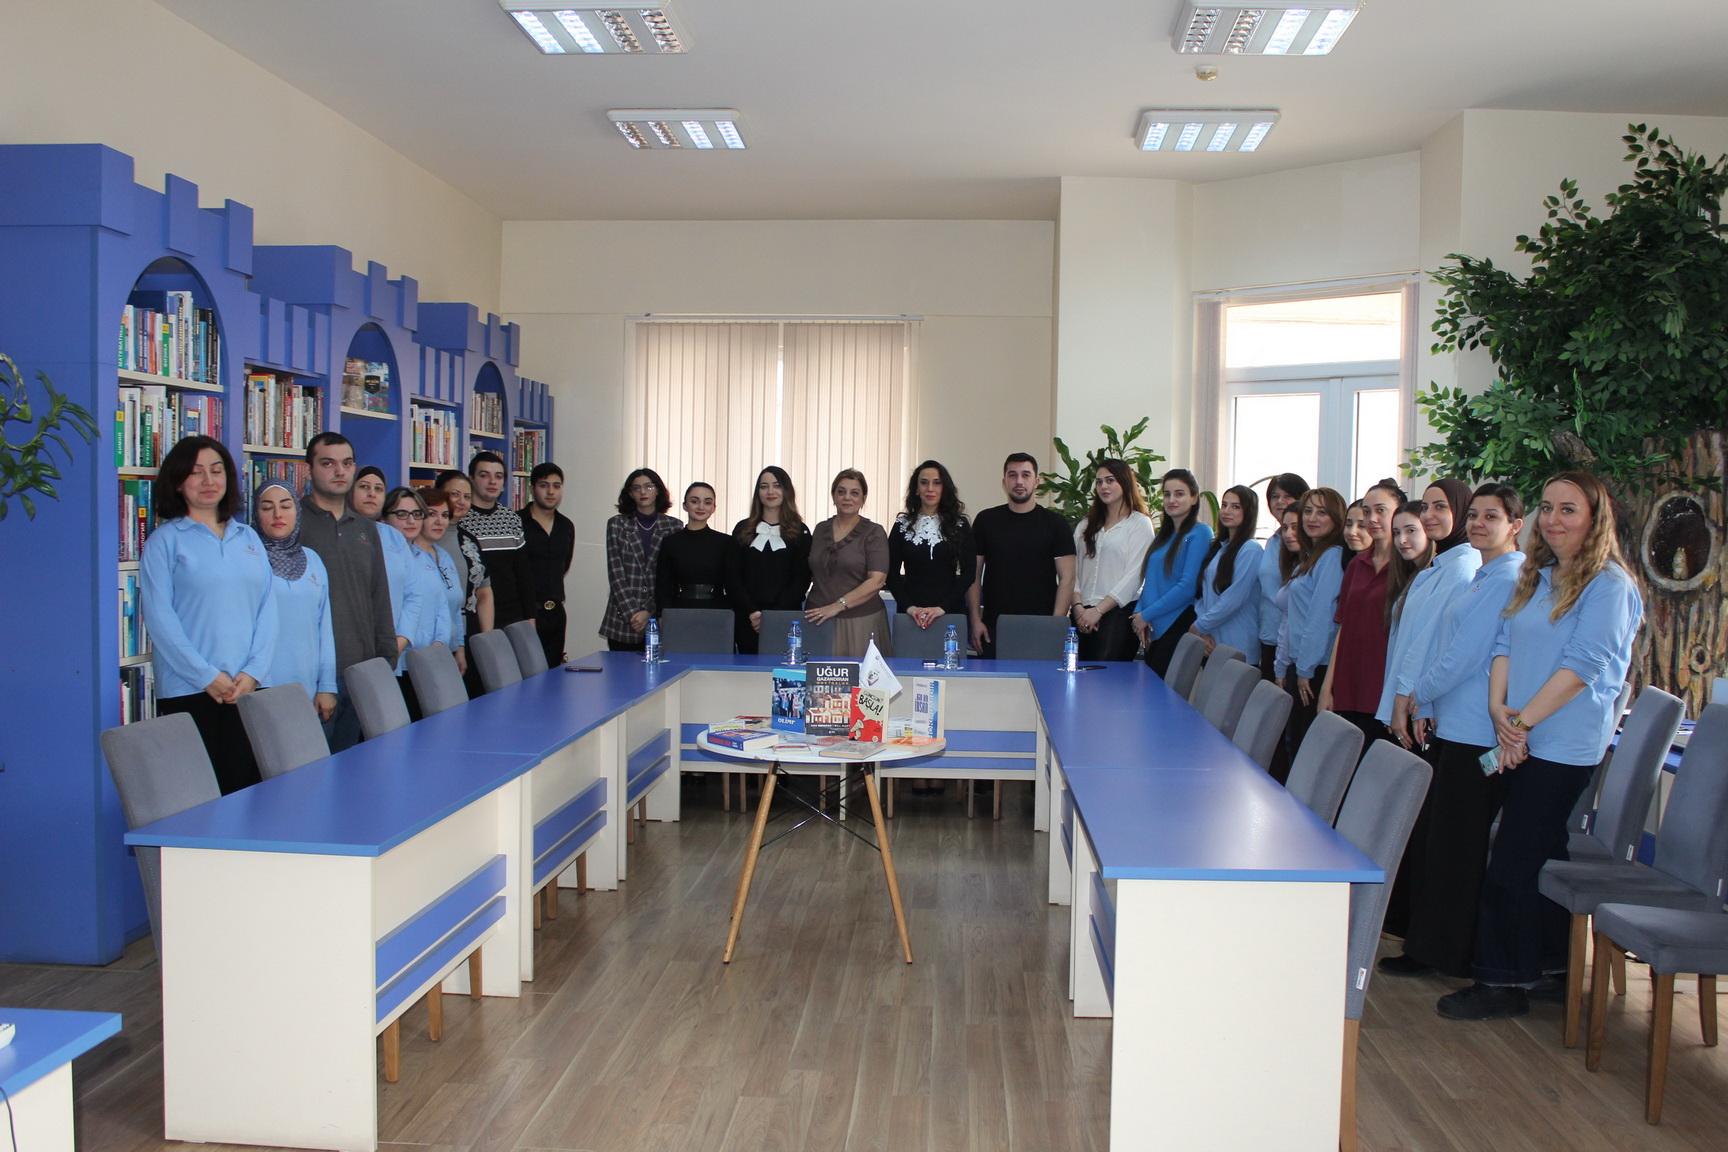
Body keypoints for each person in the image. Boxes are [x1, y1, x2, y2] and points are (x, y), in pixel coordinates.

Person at [1437, 473, 1643, 1021]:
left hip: (1562, 746)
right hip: (1519, 733)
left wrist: (1521, 724)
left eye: (1568, 509)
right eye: (1547, 507)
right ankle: (1553, 966)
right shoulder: (1541, 574)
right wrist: (1499, 710)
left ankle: (1500, 981)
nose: (1553, 519)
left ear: (1595, 519)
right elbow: (1505, 642)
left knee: (1511, 860)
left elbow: (1581, 669)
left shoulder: (1610, 586)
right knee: (1545, 852)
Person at [1379, 484, 1525, 980]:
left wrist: (1419, 693)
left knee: (1456, 845)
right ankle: (1434, 945)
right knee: (1443, 840)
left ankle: (1446, 952)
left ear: (1515, 525)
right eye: (1475, 515)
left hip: (1477, 731)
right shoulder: (1484, 574)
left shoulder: (1504, 578)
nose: (1479, 524)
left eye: (1491, 516)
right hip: (1456, 722)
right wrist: (1428, 700)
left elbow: (1464, 655)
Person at [140, 436, 276, 794]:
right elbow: (160, 619)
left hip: (248, 688)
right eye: (196, 472)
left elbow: (267, 609)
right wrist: (206, 676)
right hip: (190, 690)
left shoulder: (248, 538)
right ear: (178, 482)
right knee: (201, 800)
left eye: (216, 471)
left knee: (252, 795)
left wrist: (253, 672)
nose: (208, 480)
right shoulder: (164, 541)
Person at [298, 433, 397, 752]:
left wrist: (386, 658)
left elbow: (378, 594)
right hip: (311, 677)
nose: (339, 471)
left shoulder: (366, 528)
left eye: (347, 463)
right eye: (328, 463)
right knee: (311, 769)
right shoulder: (292, 522)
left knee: (352, 765)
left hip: (361, 670)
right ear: (309, 470)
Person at [1379, 480, 1482, 747]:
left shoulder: (1462, 567)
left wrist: (1403, 698)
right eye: (1425, 507)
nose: (1429, 515)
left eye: (1440, 507)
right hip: (1417, 700)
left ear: (1461, 512)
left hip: (1423, 704)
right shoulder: (1444, 565)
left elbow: (1427, 640)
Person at [1318, 480, 1406, 748]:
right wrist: (1327, 687)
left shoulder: (1409, 567)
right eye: (1367, 511)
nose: (1372, 519)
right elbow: (1343, 627)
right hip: (1348, 687)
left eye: (1381, 511)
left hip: (1382, 690)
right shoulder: (1357, 563)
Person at [968, 453, 1076, 659]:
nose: (1019, 481)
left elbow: (1068, 578)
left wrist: (1054, 624)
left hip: (1042, 626)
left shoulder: (1056, 524)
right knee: (994, 680)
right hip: (994, 628)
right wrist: (975, 620)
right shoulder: (986, 520)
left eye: (1026, 475)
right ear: (1004, 482)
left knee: (1043, 679)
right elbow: (973, 575)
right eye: (1012, 475)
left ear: (1037, 481)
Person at [254, 482, 337, 725]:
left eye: (285, 506)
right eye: (267, 507)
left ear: (297, 512)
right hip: (261, 685)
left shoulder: (313, 559)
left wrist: (327, 685)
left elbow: (324, 628)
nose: (277, 514)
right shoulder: (249, 559)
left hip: (307, 687)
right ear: (256, 514)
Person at [1069, 459, 1153, 662]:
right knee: (1076, 675)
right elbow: (1072, 570)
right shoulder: (1085, 525)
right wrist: (1078, 607)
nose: (1103, 486)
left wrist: (1098, 610)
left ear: (1124, 482)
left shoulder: (1139, 524)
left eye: (1110, 480)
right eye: (1099, 482)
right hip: (1081, 613)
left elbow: (1135, 575)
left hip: (1117, 615)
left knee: (1107, 677)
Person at [1131, 469, 1212, 677]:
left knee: (1164, 691)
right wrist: (1139, 614)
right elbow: (1150, 581)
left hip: (1178, 623)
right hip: (1153, 626)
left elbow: (1187, 587)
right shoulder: (1164, 536)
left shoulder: (1200, 532)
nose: (1172, 500)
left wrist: (1146, 614)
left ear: (1194, 498)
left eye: (1179, 494)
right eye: (1167, 494)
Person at [1284, 487, 1347, 753]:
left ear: (1336, 517)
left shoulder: (1332, 556)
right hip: (1301, 663)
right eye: (1308, 511)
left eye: (1322, 512)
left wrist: (1305, 670)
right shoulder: (1313, 556)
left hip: (1313, 669)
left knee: (1305, 749)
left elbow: (1321, 619)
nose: (1312, 518)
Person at [806, 469, 892, 657]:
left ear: (863, 498)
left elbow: (876, 581)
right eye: (841, 491)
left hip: (859, 623)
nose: (847, 497)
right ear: (833, 496)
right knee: (814, 674)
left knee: (857, 675)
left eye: (854, 493)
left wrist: (837, 606)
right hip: (818, 619)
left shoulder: (874, 532)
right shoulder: (820, 529)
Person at [379, 486, 449, 717]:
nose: (411, 521)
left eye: (417, 514)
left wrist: (440, 642)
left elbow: (442, 605)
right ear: (384, 518)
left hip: (426, 661)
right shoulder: (381, 558)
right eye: (401, 514)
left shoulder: (424, 557)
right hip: (396, 659)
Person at [888, 460, 976, 643]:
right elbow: (890, 574)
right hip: (911, 615)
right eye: (924, 482)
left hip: (950, 614)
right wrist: (910, 608)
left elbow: (969, 574)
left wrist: (941, 608)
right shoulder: (901, 526)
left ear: (945, 488)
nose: (930, 488)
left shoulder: (960, 525)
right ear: (916, 489)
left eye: (937, 483)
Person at [728, 466, 812, 655]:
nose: (770, 491)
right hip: (748, 618)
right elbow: (732, 577)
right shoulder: (742, 529)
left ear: (786, 490)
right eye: (764, 486)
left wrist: (773, 616)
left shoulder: (801, 531)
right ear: (758, 492)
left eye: (777, 485)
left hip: (785, 618)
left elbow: (801, 579)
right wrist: (752, 612)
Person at [599, 468, 682, 651]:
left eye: (648, 486)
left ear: (658, 490)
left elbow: (671, 578)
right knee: (620, 669)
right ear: (630, 494)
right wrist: (633, 614)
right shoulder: (617, 524)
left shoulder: (673, 526)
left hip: (657, 618)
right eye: (636, 488)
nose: (643, 492)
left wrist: (648, 611)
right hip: (622, 619)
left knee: (657, 669)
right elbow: (616, 574)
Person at [463, 451, 536, 630]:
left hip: (513, 615)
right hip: (475, 615)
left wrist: (530, 616)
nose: (492, 482)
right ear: (471, 479)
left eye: (498, 476)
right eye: (484, 475)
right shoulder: (461, 520)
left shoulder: (511, 518)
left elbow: (523, 572)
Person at [1191, 485, 1264, 663]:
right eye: (1224, 505)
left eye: (1235, 507)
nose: (1227, 511)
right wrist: (1203, 631)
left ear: (1248, 512)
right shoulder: (1218, 547)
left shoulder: (1251, 549)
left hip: (1238, 643)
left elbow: (1233, 599)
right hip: (1211, 641)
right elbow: (1201, 594)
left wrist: (1199, 626)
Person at [432, 469, 492, 682]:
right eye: (454, 494)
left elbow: (484, 592)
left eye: (467, 496)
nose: (461, 501)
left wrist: (487, 637)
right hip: (438, 634)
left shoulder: (470, 539)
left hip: (471, 630)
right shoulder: (426, 538)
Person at [521, 462, 575, 667]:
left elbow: (564, 565)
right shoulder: (516, 522)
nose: (551, 492)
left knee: (553, 673)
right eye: (544, 485)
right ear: (532, 488)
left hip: (555, 611)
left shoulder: (566, 526)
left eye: (556, 486)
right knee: (525, 674)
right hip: (524, 614)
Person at [1258, 474, 1309, 686]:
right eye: (1274, 496)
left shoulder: (1304, 545)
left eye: (1287, 496)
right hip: (1268, 634)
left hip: (1290, 642)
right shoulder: (1273, 541)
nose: (1279, 501)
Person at [657, 481, 734, 617]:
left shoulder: (726, 542)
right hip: (679, 611)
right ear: (685, 505)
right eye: (694, 501)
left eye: (707, 502)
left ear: (714, 508)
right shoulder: (671, 542)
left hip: (718, 612)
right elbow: (664, 586)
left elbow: (733, 585)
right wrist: (663, 616)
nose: (701, 507)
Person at [418, 489, 470, 677]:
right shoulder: (408, 557)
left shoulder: (445, 556)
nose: (440, 521)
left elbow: (455, 608)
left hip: (447, 652)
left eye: (445, 515)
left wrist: (460, 649)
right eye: (432, 514)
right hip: (419, 656)